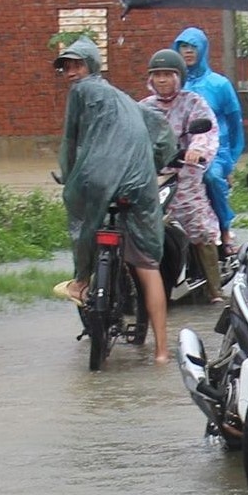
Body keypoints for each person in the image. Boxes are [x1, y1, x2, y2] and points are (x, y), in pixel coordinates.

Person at [53, 37, 168, 363]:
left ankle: (80, 282)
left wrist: (68, 176)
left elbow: (69, 142)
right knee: (147, 266)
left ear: (91, 65)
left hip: (101, 181)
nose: (71, 72)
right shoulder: (130, 101)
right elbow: (163, 134)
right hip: (140, 186)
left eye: (77, 64)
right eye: (67, 67)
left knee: (80, 217)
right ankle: (161, 353)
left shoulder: (80, 92)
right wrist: (154, 167)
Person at [141, 50, 223, 303]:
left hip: (184, 176)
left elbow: (206, 130)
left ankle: (215, 289)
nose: (162, 80)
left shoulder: (193, 102)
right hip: (152, 177)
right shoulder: (143, 107)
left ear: (179, 77)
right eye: (157, 75)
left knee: (200, 225)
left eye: (168, 75)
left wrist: (196, 150)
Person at [174, 26, 246, 245]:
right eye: (183, 47)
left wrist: (230, 160)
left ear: (203, 50)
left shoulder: (219, 84)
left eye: (193, 47)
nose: (187, 52)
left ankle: (224, 230)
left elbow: (235, 124)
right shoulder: (175, 84)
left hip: (216, 152)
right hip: (180, 152)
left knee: (211, 178)